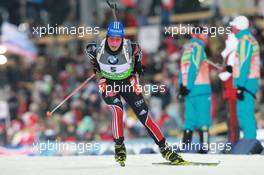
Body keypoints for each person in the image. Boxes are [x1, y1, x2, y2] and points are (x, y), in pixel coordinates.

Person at [86, 21, 186, 166]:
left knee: (145, 117)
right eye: (111, 39)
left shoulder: (130, 47)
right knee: (118, 109)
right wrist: (96, 67)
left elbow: (138, 52)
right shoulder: (96, 48)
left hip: (127, 83)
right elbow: (91, 54)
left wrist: (138, 67)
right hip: (108, 84)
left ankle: (165, 149)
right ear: (107, 37)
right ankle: (119, 146)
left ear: (122, 39)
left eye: (117, 39)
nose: (114, 43)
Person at [178, 29, 212, 153]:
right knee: (204, 120)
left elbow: (182, 70)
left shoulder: (187, 49)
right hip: (200, 89)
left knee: (189, 120)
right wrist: (187, 87)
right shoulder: (198, 48)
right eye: (204, 34)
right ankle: (204, 148)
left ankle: (185, 147)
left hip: (189, 92)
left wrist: (182, 88)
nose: (206, 37)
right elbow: (194, 67)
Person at [230, 16, 260, 139]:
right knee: (245, 112)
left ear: (238, 28)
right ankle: (249, 140)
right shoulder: (249, 40)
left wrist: (240, 85)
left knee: (245, 113)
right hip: (249, 81)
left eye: (233, 27)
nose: (231, 29)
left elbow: (244, 64)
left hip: (246, 83)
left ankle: (250, 141)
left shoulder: (245, 41)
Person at [219, 33, 240, 144]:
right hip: (229, 92)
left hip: (232, 92)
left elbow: (228, 73)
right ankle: (232, 140)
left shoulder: (232, 54)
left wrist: (222, 73)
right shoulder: (229, 55)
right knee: (230, 118)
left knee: (232, 119)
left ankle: (233, 141)